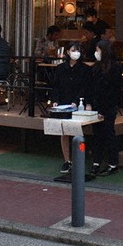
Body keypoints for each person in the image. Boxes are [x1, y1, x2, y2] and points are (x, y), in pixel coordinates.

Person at [51, 42, 91, 174]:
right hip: (63, 103)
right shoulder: (61, 68)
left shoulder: (85, 69)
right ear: (68, 52)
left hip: (78, 104)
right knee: (64, 132)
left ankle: (79, 159)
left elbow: (85, 87)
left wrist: (78, 101)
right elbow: (55, 86)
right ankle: (67, 160)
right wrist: (55, 100)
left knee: (78, 132)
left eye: (78, 50)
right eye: (73, 50)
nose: (76, 52)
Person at [87, 40, 123, 177]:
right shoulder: (96, 68)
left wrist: (103, 107)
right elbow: (91, 87)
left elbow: (115, 91)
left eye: (98, 50)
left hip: (108, 106)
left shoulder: (114, 68)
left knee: (108, 133)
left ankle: (112, 163)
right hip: (98, 106)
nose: (96, 53)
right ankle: (96, 162)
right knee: (97, 134)